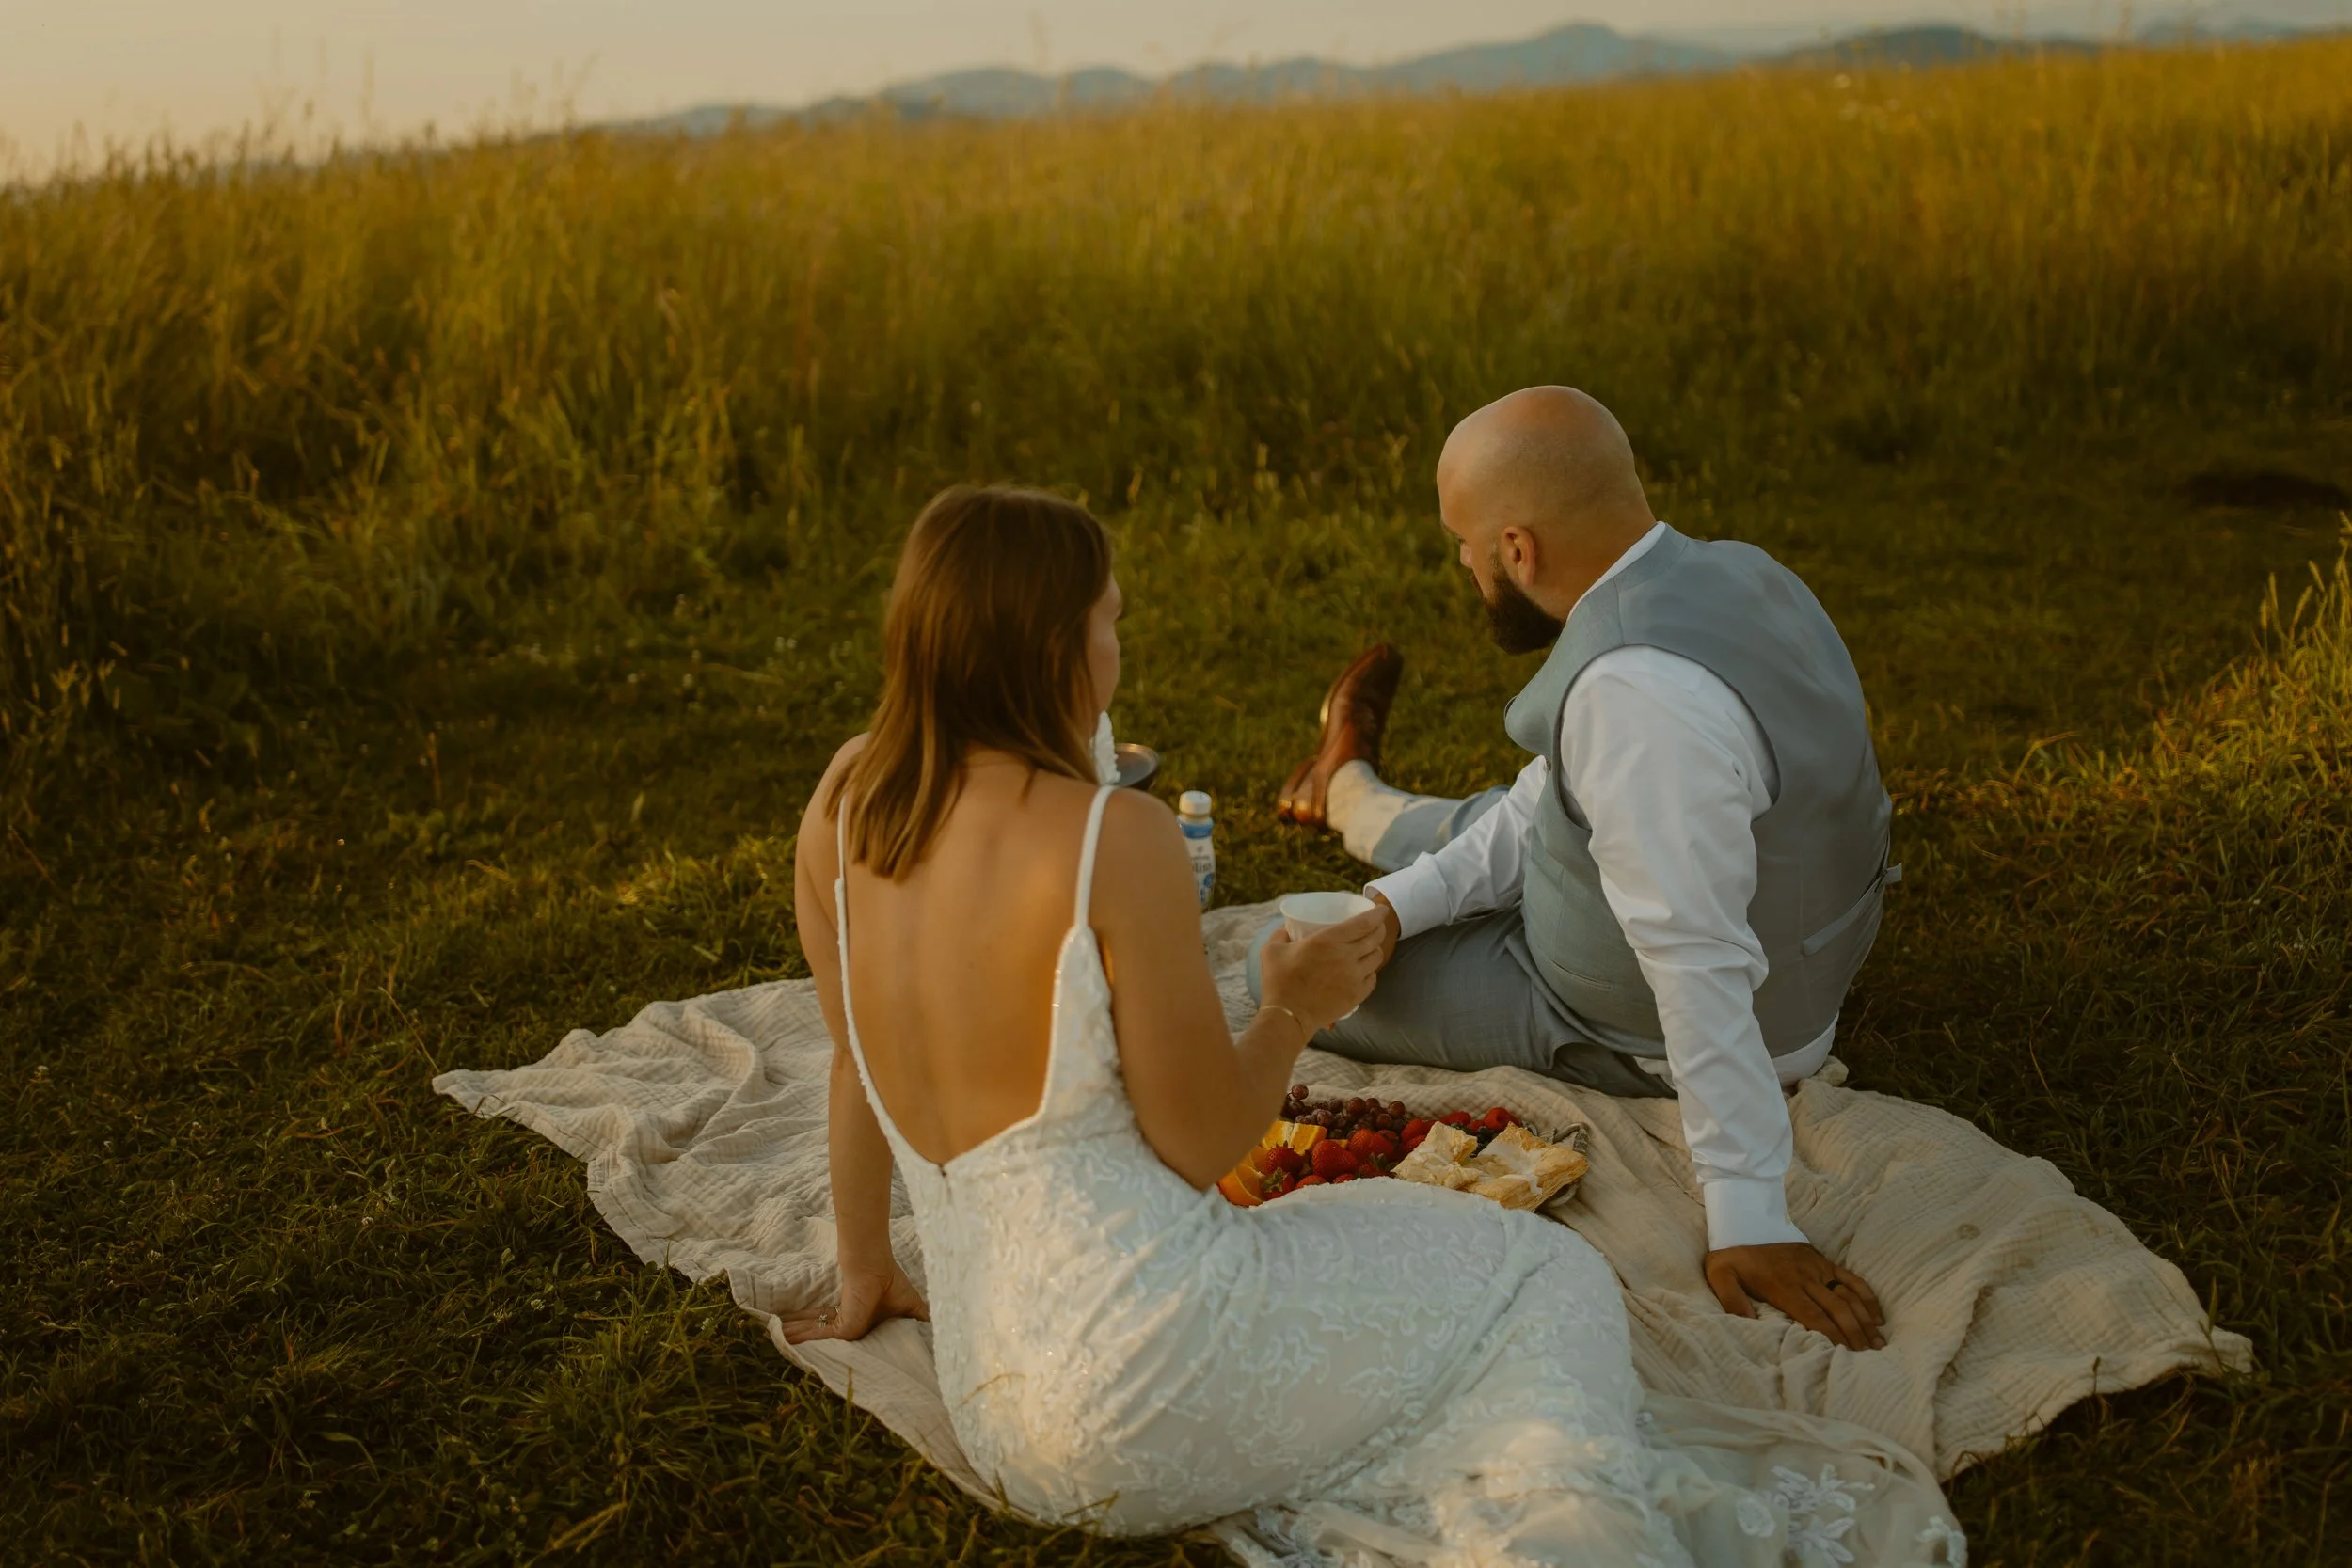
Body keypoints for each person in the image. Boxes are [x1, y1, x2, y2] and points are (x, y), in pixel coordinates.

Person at [785, 483, 1956, 1563]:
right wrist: (1289, 1007)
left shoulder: (843, 801)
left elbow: (851, 1062)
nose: (1116, 647)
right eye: (1111, 619)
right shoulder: (1113, 836)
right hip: (1148, 1379)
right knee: (1540, 1273)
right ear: (1054, 645)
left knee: (1397, 1237)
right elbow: (1200, 1145)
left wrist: (867, 1267)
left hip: (998, 1406)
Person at [1265, 385, 1897, 1353]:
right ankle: (1349, 793)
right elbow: (1544, 804)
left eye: (1464, 544)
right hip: (1804, 945)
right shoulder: (1741, 575)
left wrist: (1748, 1213)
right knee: (1509, 813)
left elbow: (1698, 963)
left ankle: (1350, 793)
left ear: (1517, 550)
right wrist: (1394, 909)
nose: (1463, 564)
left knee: (1295, 971)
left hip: (1635, 1020)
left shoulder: (1631, 702)